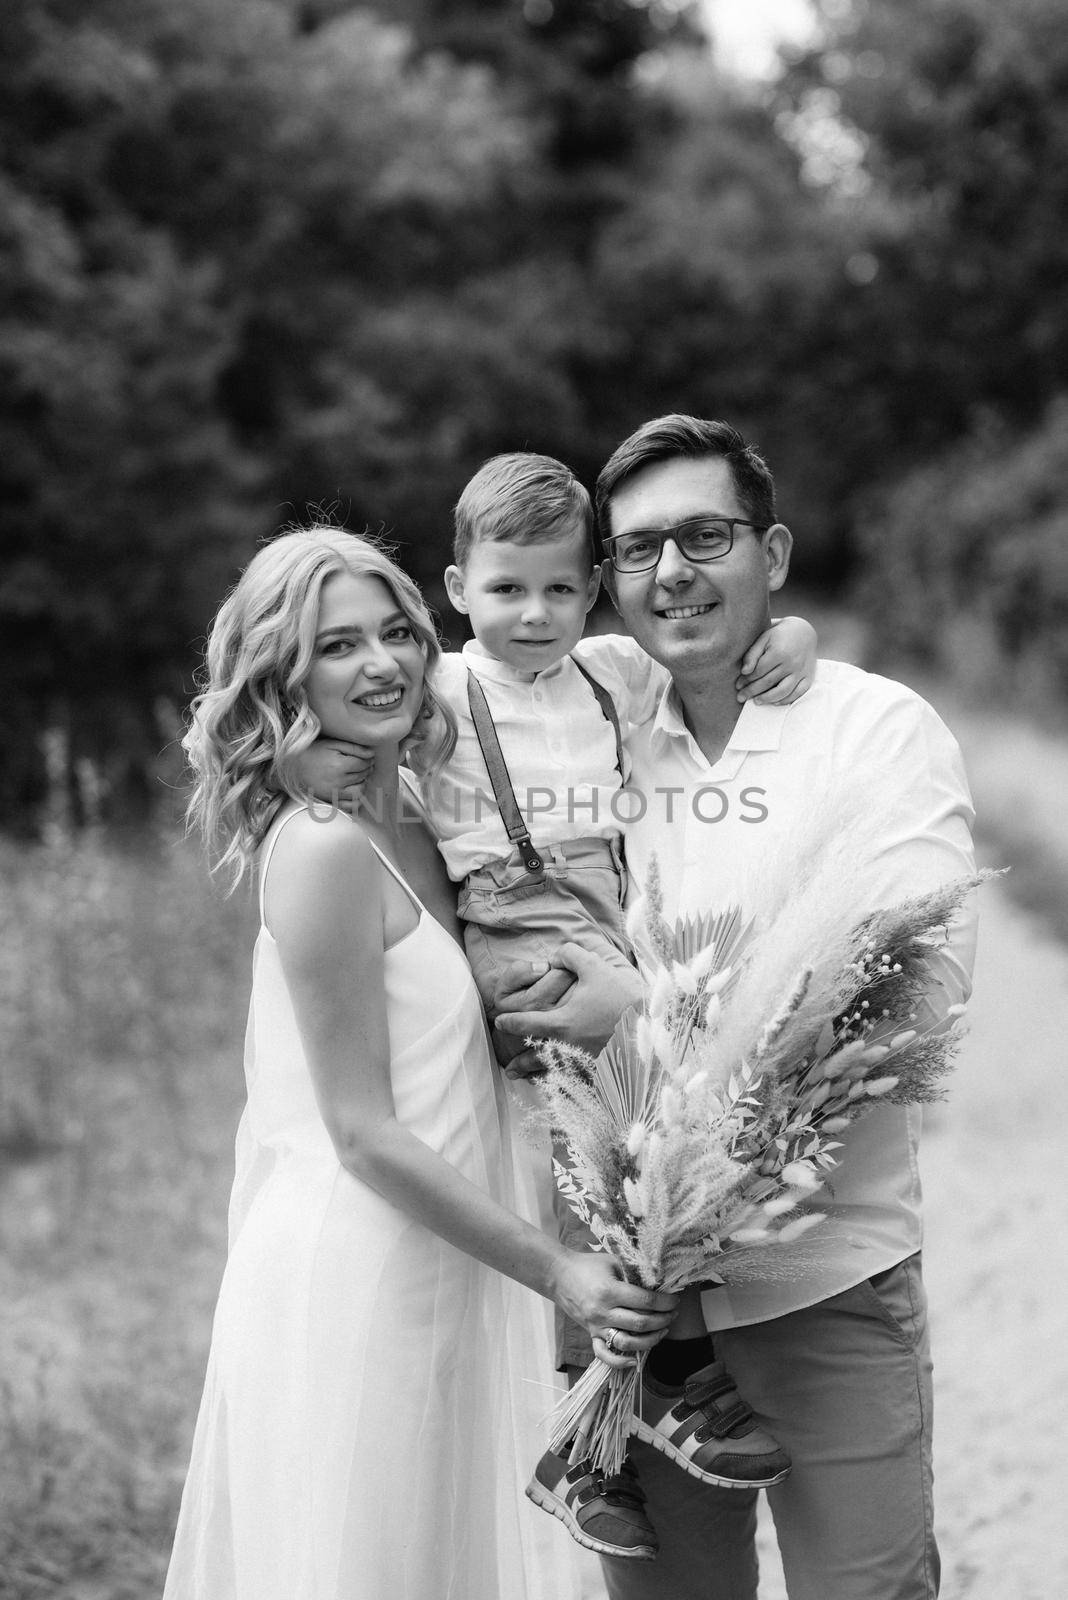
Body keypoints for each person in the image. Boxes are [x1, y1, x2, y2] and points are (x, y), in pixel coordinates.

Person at [295, 455, 818, 1561]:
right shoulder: (435, 689)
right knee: (586, 1154)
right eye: (504, 591)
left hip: (610, 911)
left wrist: (798, 641)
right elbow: (335, 727)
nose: (532, 614)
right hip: (512, 930)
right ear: (454, 589)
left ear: (589, 592)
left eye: (556, 590)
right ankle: (646, 1389)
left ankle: (596, 1437)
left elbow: (723, 652)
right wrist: (317, 769)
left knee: (670, 1142)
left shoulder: (612, 674)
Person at [492, 416, 978, 1600]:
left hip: (825, 1273)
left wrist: (640, 1014)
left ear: (774, 551)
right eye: (640, 547)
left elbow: (916, 994)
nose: (673, 571)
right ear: (604, 578)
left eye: (706, 536)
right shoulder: (588, 728)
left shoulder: (873, 728)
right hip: (641, 1315)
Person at [163, 525, 677, 1600]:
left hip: (454, 1261)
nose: (384, 661)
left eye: (396, 631)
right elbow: (361, 1131)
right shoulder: (321, 846)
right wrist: (559, 1268)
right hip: (361, 1276)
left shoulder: (410, 813)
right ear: (285, 671)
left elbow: (548, 681)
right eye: (338, 644)